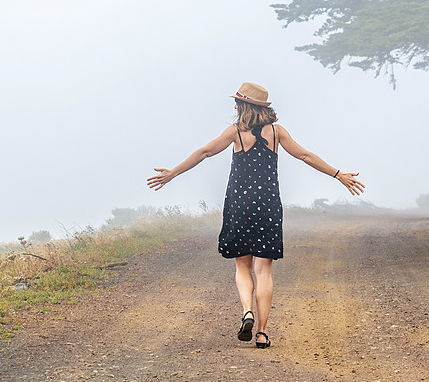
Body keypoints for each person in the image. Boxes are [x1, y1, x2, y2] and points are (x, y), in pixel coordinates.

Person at [146, 82, 365, 349]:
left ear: (243, 106)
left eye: (238, 103)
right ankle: (262, 333)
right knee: (264, 271)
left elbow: (204, 152)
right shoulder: (277, 133)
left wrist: (173, 173)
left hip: (239, 205)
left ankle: (246, 312)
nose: (235, 107)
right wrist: (337, 174)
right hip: (268, 206)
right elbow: (305, 155)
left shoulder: (235, 133)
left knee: (242, 266)